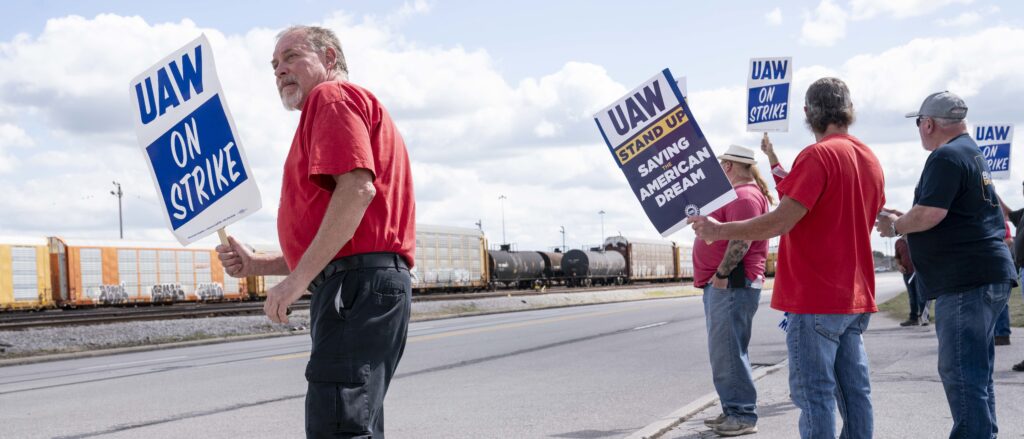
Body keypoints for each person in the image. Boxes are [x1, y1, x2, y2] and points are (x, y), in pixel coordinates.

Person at [216, 25, 416, 438]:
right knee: (351, 421)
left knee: (338, 424)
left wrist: (295, 282)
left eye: (291, 57)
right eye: (274, 65)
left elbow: (357, 190)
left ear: (328, 59)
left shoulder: (331, 97)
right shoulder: (334, 107)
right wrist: (260, 264)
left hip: (354, 284)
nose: (279, 71)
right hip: (358, 281)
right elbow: (339, 235)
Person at [692, 77, 884, 439]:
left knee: (814, 395)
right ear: (848, 110)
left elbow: (782, 220)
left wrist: (718, 231)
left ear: (808, 113)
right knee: (855, 392)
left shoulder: (818, 155)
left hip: (815, 297)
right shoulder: (869, 158)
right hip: (855, 296)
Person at [876, 91, 1015, 438]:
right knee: (976, 375)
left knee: (961, 373)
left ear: (928, 124)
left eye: (919, 124)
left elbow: (931, 213)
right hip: (984, 274)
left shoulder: (945, 157)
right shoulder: (970, 152)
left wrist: (895, 226)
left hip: (965, 280)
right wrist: (905, 218)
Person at [693, 144, 773, 436]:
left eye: (719, 165)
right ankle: (733, 409)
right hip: (726, 284)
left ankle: (741, 414)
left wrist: (722, 274)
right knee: (726, 350)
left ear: (728, 167)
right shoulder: (743, 195)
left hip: (732, 283)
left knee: (728, 349)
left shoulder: (745, 197)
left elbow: (743, 240)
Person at [893, 236, 927, 326]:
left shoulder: (917, 237)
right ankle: (913, 319)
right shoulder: (898, 242)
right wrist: (899, 266)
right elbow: (897, 257)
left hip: (918, 272)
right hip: (907, 273)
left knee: (921, 295)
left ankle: (924, 318)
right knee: (912, 296)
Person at [994, 221, 1013, 345]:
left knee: (999, 299)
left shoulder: (999, 220)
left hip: (997, 262)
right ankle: (998, 333)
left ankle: (1002, 333)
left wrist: (994, 246)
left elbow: (1009, 240)